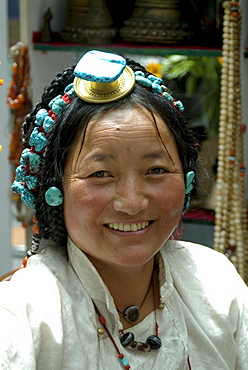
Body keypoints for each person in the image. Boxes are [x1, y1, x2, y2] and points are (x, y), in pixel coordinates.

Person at [0, 50, 248, 370]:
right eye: (100, 174)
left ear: (186, 180)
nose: (132, 203)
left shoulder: (214, 280)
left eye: (156, 170)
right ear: (55, 189)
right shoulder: (23, 314)